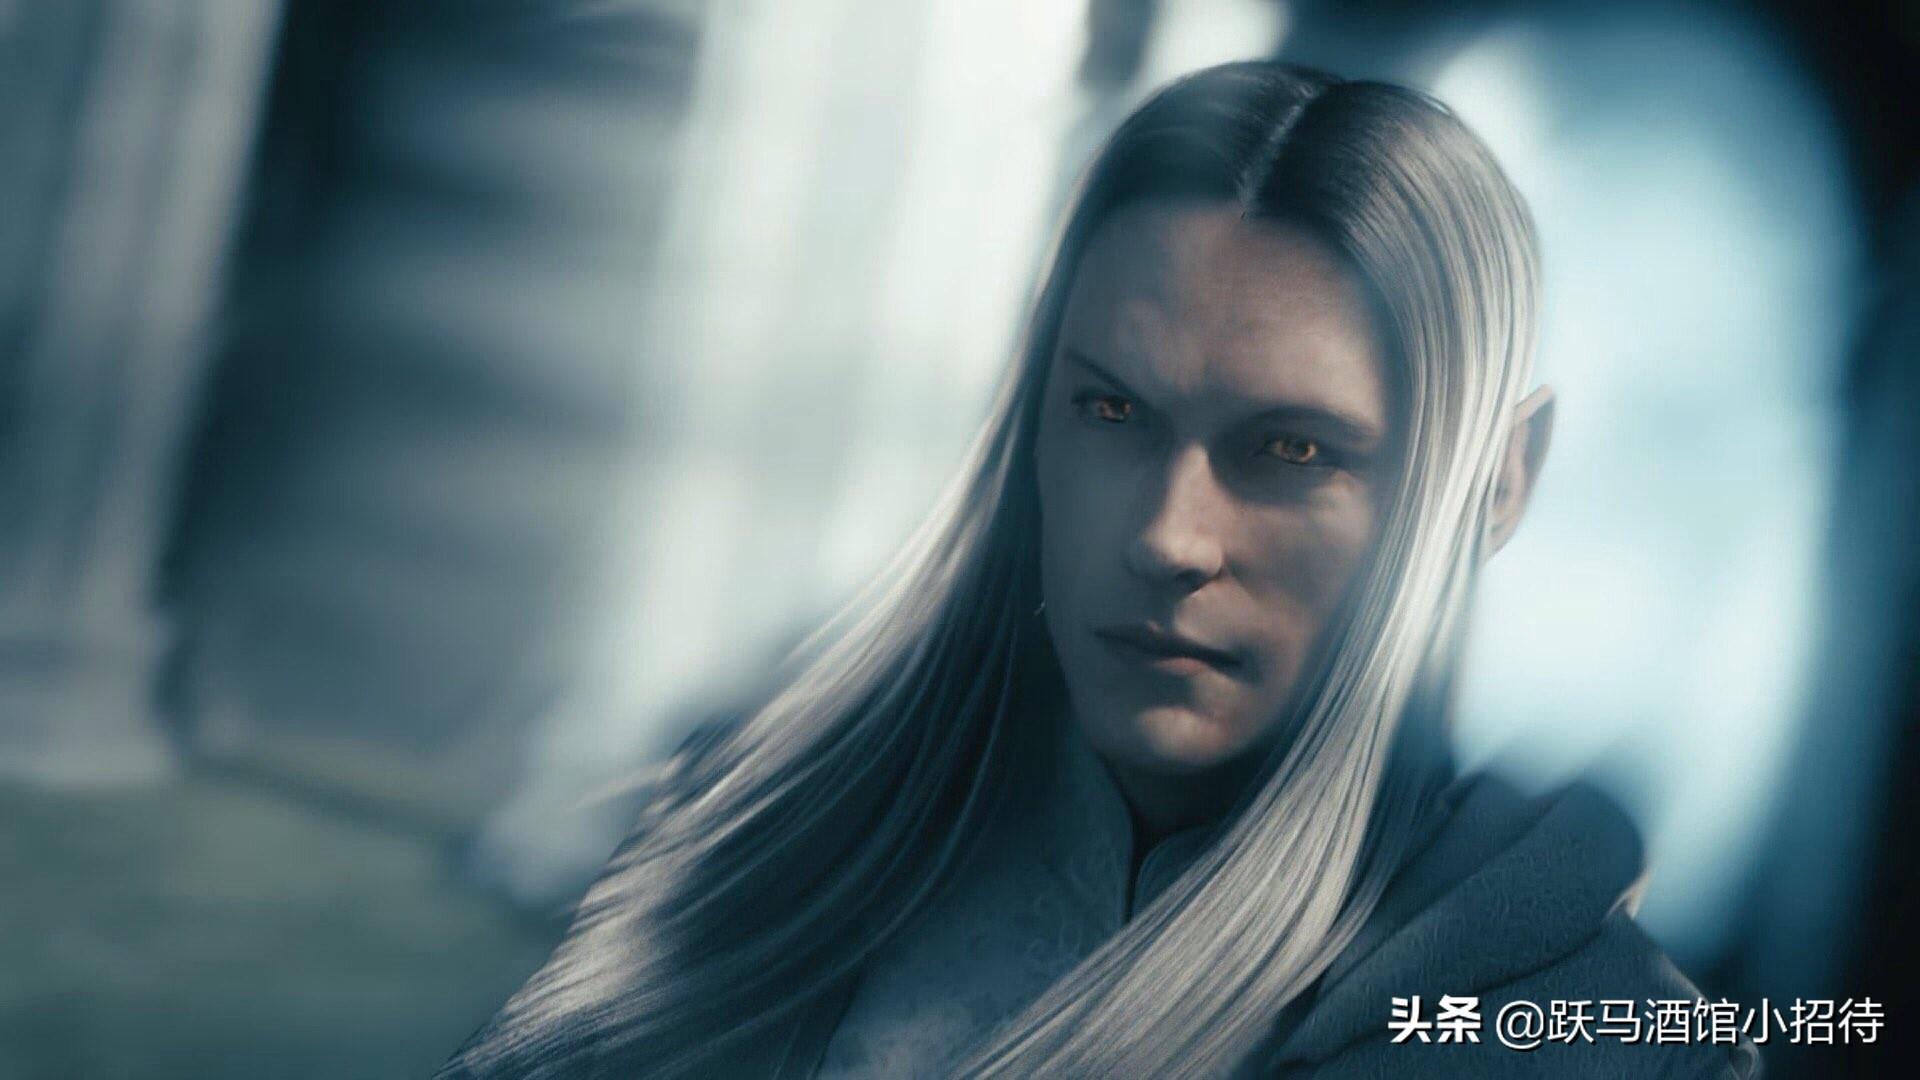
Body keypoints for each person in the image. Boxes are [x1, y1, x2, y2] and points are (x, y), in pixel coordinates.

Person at [439, 61, 1759, 1078]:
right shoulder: (745, 848)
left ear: (1500, 480)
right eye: (1114, 411)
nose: (1171, 537)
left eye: (1293, 449)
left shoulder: (1610, 1047)